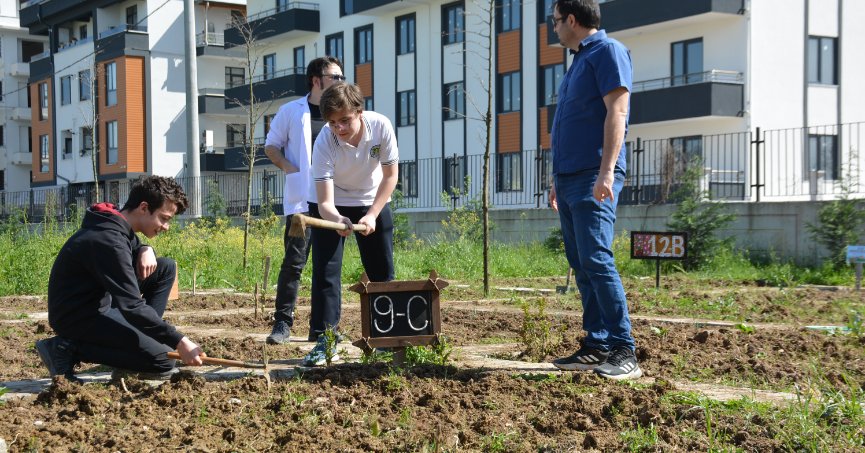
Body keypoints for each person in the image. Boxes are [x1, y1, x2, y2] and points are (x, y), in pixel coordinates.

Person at [548, 0, 641, 380]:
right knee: (581, 261)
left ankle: (624, 349)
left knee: (597, 259)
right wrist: (556, 180)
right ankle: (597, 344)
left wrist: (606, 172)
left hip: (592, 174)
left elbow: (618, 113)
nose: (554, 28)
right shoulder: (578, 62)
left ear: (572, 19)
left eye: (555, 21)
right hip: (569, 178)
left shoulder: (609, 52)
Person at [35, 176, 205, 382]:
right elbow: (131, 306)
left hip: (98, 302)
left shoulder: (114, 223)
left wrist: (144, 247)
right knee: (162, 360)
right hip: (77, 317)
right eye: (164, 218)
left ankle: (144, 341)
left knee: (165, 268)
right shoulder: (109, 240)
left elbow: (129, 245)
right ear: (144, 207)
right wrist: (179, 341)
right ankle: (66, 348)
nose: (166, 226)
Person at [304, 83, 398, 366]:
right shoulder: (324, 142)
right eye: (332, 123)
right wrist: (337, 220)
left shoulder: (380, 126)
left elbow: (390, 177)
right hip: (332, 203)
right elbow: (324, 203)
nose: (339, 128)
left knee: (381, 270)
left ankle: (385, 339)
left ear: (359, 111)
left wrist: (371, 214)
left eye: (345, 120)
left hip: (373, 200)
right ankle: (326, 341)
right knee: (326, 272)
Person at [263, 56, 345, 345]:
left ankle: (324, 329)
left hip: (332, 202)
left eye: (341, 77)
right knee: (293, 264)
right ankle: (282, 325)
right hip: (300, 202)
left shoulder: (340, 113)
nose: (339, 82)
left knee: (329, 267)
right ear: (316, 79)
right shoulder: (291, 111)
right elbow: (271, 145)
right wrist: (289, 167)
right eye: (334, 77)